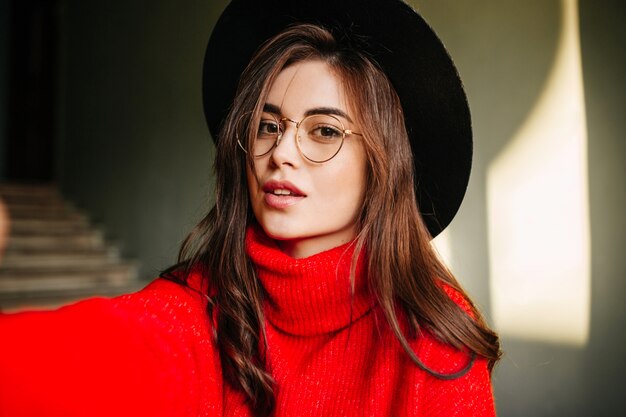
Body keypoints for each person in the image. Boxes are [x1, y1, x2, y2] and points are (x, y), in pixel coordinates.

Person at [0, 0, 501, 416]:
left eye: (324, 131)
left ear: (382, 165)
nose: (280, 153)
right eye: (268, 126)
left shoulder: (432, 339)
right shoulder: (200, 305)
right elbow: (89, 357)